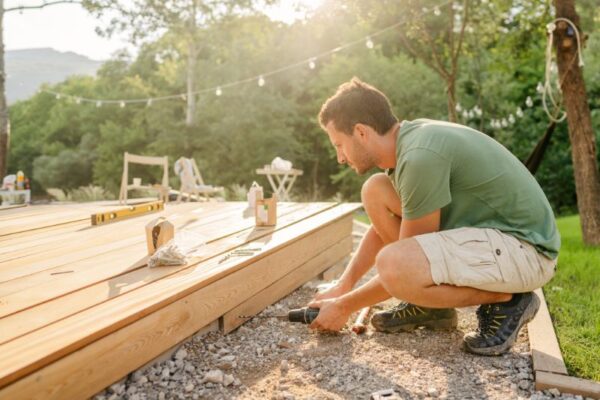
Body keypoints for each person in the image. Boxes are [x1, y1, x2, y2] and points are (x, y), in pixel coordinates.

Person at [308, 78, 560, 355]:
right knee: (375, 191)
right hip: (499, 243)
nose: (340, 158)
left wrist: (344, 306)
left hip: (526, 252)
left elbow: (401, 263)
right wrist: (344, 285)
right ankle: (428, 306)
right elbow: (386, 229)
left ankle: (511, 299)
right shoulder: (409, 143)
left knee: (395, 264)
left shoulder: (418, 157)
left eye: (339, 145)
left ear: (361, 132)